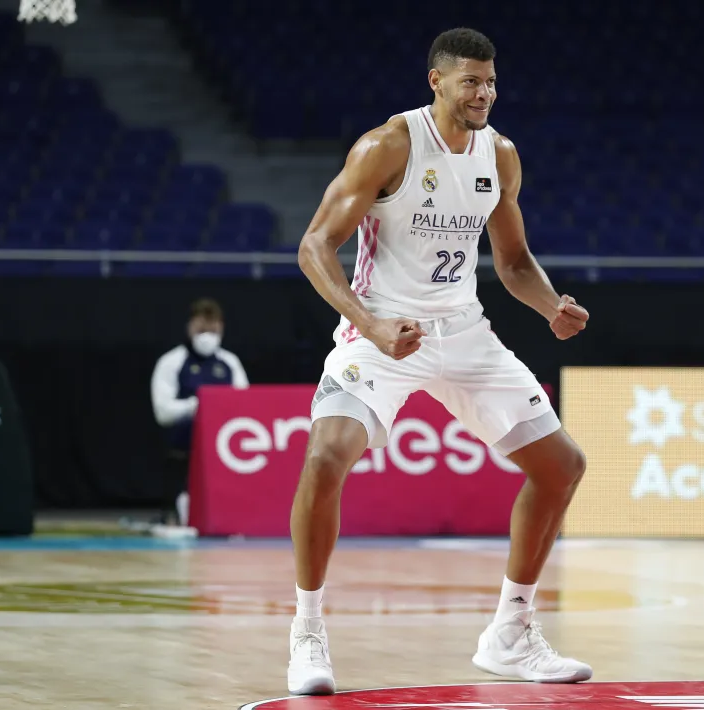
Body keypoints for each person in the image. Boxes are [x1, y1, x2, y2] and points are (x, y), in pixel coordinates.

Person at [286, 27, 592, 696]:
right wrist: (369, 323)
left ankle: (511, 633)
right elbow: (314, 246)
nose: (484, 92)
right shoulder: (388, 146)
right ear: (437, 81)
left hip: (463, 330)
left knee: (562, 465)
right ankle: (307, 632)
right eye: (470, 81)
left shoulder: (500, 154)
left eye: (490, 81)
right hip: (382, 330)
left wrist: (550, 306)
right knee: (324, 456)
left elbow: (511, 263)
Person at [150, 297, 248, 532]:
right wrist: (200, 405)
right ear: (191, 327)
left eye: (213, 330)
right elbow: (163, 411)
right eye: (202, 329)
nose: (207, 336)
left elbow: (246, 405)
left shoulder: (229, 363)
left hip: (224, 454)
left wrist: (219, 408)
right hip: (183, 452)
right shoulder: (172, 362)